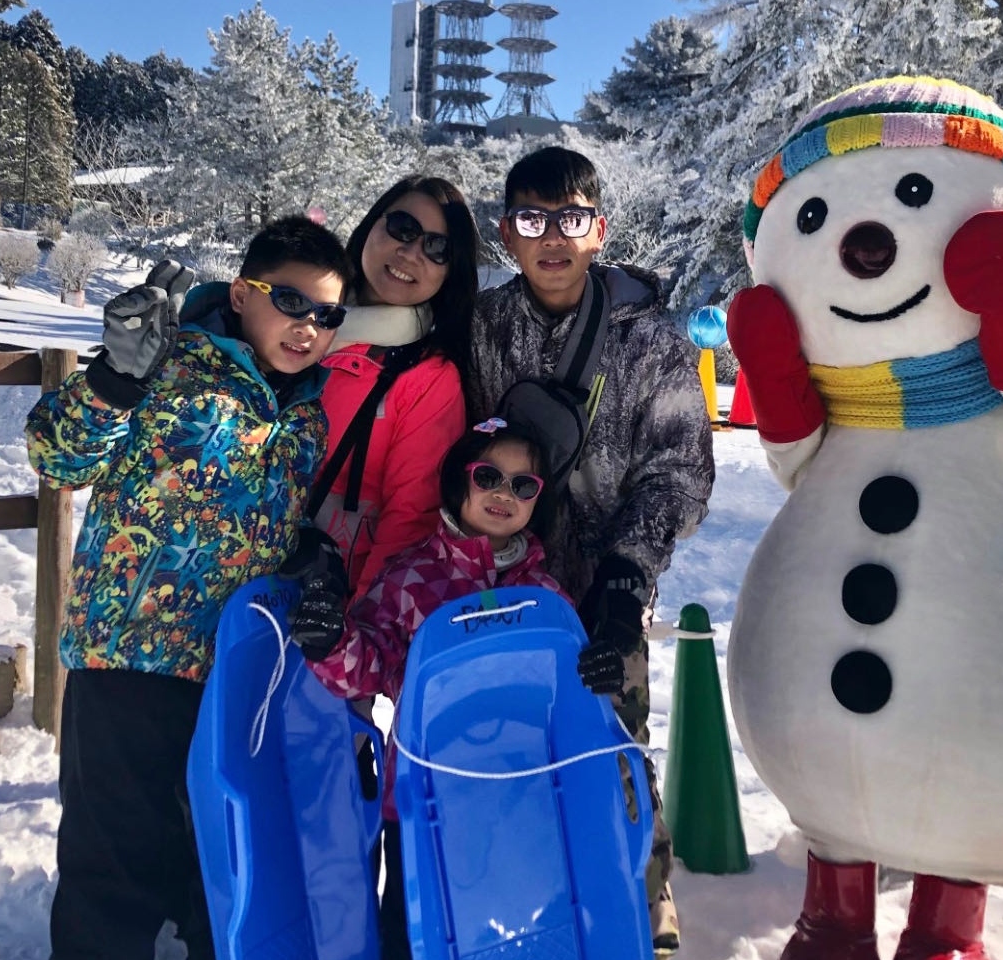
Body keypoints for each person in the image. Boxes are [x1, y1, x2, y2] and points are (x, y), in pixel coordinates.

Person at [26, 216, 354, 960]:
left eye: (328, 315)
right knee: (111, 871)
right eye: (292, 302)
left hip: (232, 679)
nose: (308, 327)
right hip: (128, 660)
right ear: (242, 293)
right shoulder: (166, 364)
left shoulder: (308, 413)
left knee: (224, 866)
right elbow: (56, 458)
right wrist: (114, 379)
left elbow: (282, 518)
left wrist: (310, 556)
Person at [465, 145, 715, 957]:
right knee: (506, 751)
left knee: (614, 748)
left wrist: (624, 577)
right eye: (533, 219)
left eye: (571, 218)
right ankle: (529, 913)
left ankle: (644, 910)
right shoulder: (485, 325)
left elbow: (680, 469)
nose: (553, 238)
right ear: (507, 232)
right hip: (500, 585)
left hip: (606, 590)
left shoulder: (653, 342)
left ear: (599, 228)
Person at [300, 417, 568, 960]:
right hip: (424, 799)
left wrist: (594, 671)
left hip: (520, 802)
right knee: (413, 933)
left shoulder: (544, 593)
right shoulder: (412, 577)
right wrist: (330, 641)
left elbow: (565, 694)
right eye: (489, 476)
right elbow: (369, 664)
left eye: (523, 486)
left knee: (506, 936)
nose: (503, 494)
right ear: (459, 481)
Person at [309, 175, 479, 601]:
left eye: (437, 249)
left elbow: (409, 522)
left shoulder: (428, 379)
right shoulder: (294, 319)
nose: (411, 252)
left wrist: (360, 635)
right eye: (403, 228)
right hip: (226, 585)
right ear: (372, 224)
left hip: (327, 613)